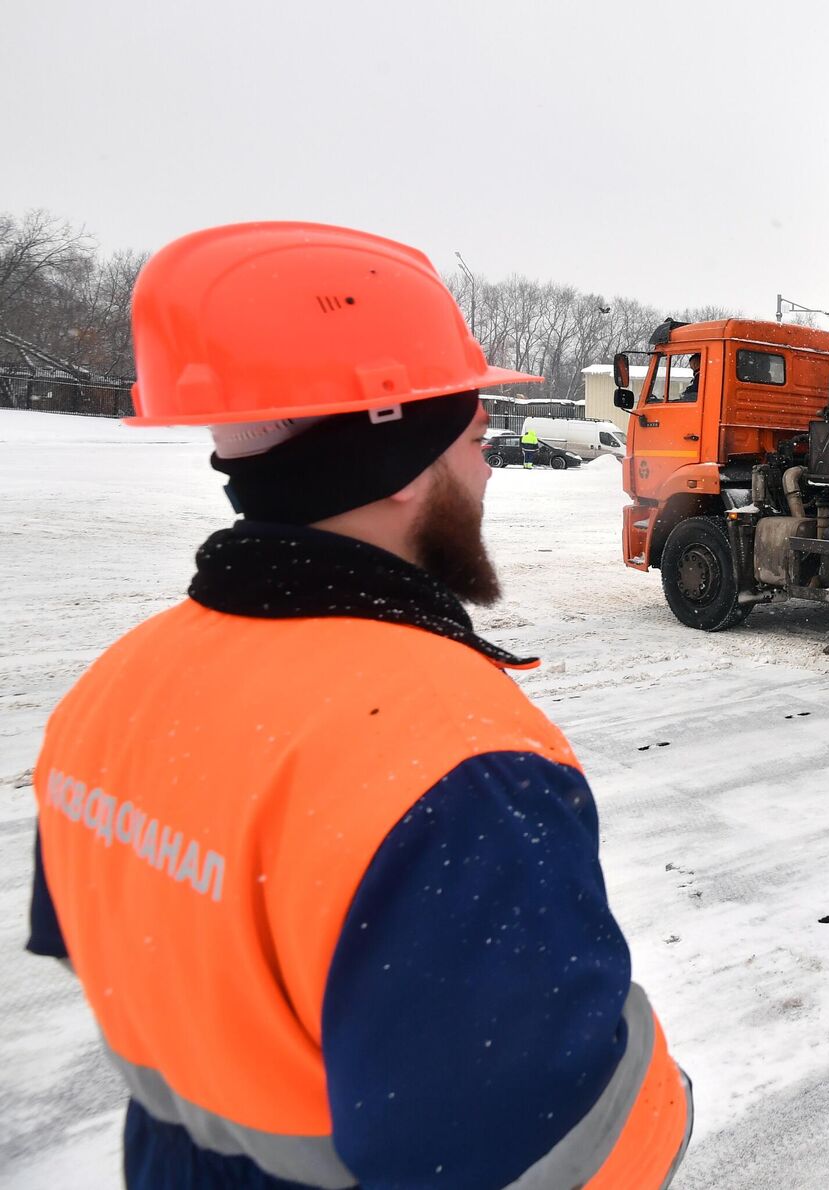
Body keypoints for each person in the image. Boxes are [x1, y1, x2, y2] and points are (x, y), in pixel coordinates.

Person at [27, 222, 691, 1189]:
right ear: (401, 465)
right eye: (473, 436)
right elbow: (551, 1151)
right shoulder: (457, 766)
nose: (491, 466)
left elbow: (115, 950)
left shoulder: (114, 689)